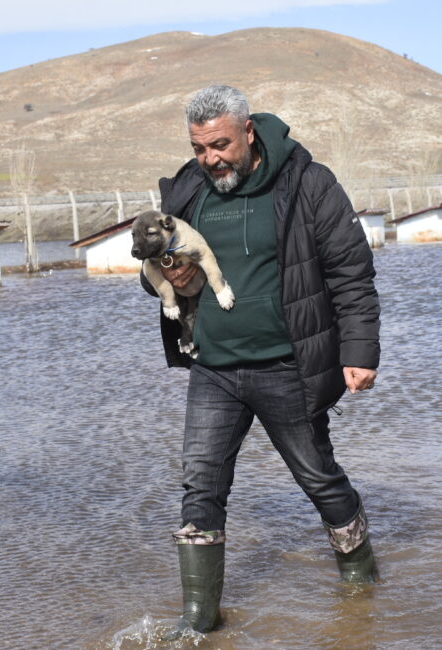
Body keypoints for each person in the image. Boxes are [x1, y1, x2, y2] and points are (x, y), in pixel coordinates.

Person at [143, 85, 381, 636]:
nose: (210, 159)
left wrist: (359, 350)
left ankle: (361, 587)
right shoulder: (187, 190)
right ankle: (199, 620)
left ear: (248, 132)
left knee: (318, 478)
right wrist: (167, 275)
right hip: (213, 367)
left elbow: (351, 271)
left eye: (220, 145)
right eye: (199, 148)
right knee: (199, 485)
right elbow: (153, 265)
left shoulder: (308, 182)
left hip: (287, 366)